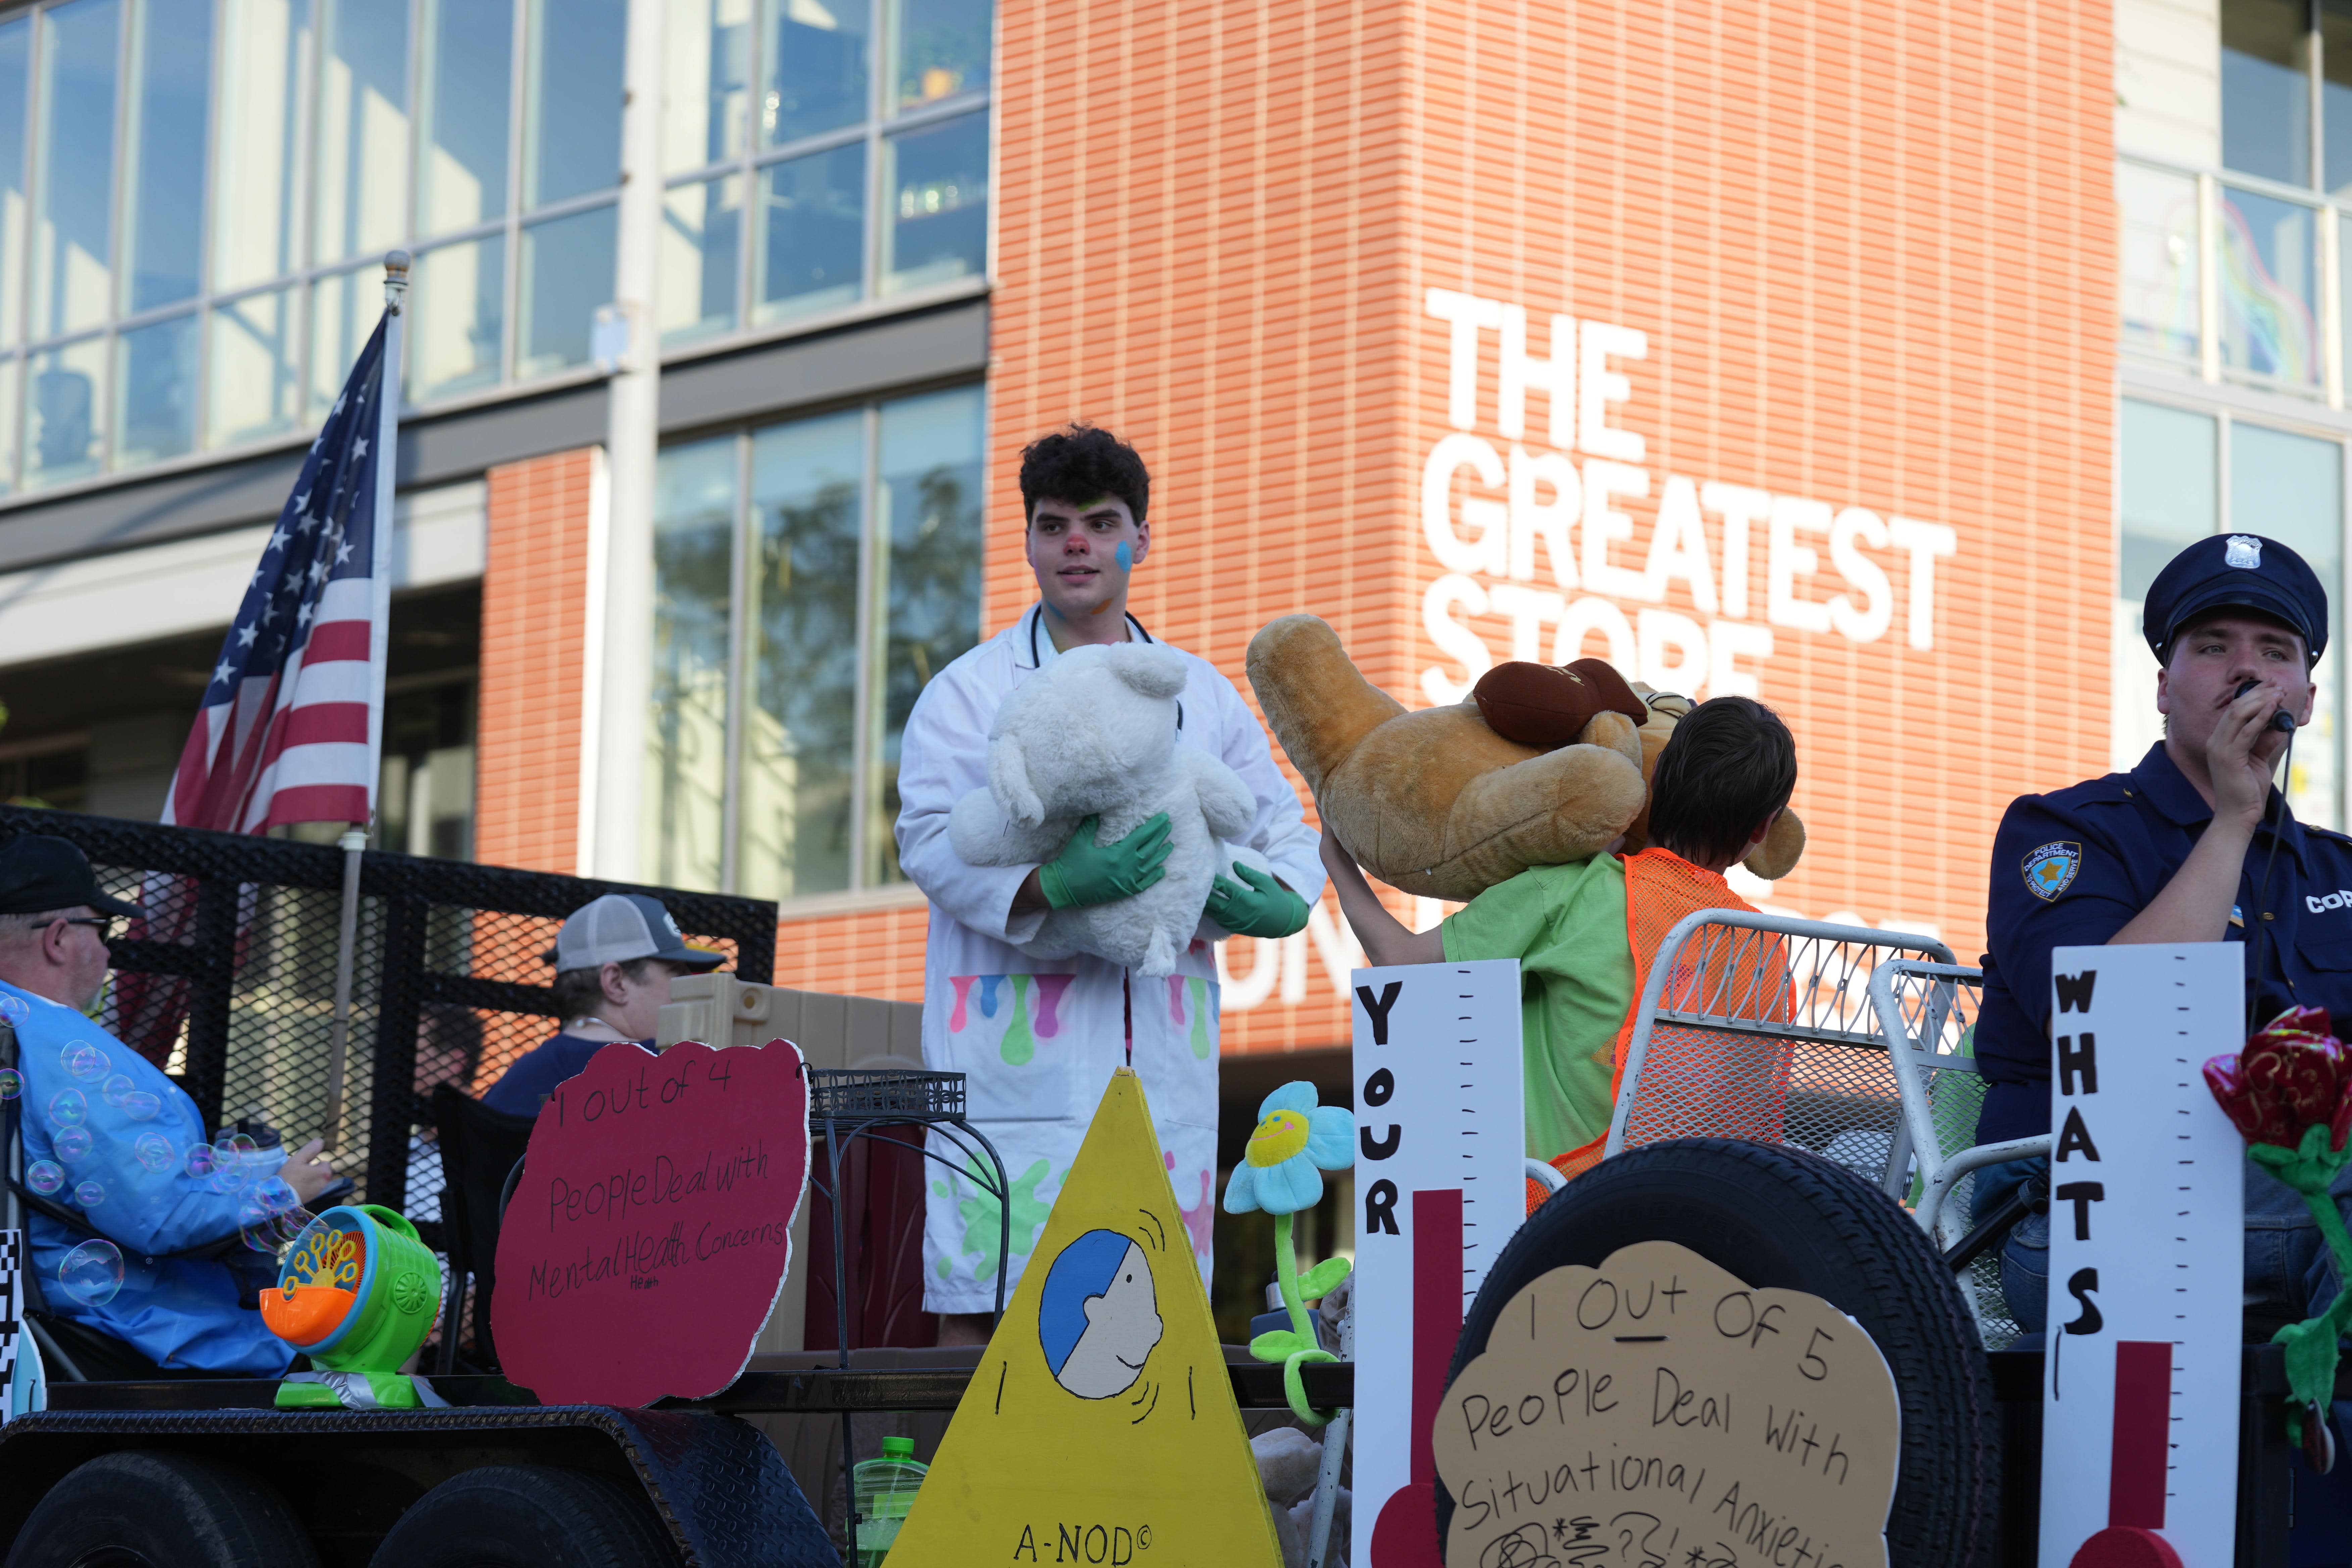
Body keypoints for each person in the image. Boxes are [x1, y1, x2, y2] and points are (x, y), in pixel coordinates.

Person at [896, 424, 1323, 1343]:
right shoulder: (968, 695)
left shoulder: (1203, 696)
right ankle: (979, 1496)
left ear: (1141, 540)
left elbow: (1283, 830)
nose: (1078, 544)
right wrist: (1051, 884)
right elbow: (929, 839)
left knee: (1146, 1316)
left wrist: (1278, 895)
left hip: (1161, 1050)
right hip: (1015, 1055)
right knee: (990, 1301)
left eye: (1102, 523)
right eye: (1055, 526)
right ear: (1029, 542)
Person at [1976, 532, 2352, 1339]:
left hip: (2302, 1184)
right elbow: (2108, 1025)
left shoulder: (2335, 869)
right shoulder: (2066, 831)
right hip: (2086, 1202)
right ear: (2162, 686)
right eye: (2214, 648)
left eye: (2274, 651)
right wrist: (2233, 819)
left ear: (2308, 697)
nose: (2247, 670)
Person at [1321, 695, 1799, 1178]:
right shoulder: (1765, 950)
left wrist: (1336, 861)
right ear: (1761, 830)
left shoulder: (1569, 891)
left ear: (1653, 781)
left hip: (1557, 1216)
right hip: (1689, 1219)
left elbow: (1401, 963)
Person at [0, 834, 338, 1377]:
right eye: (102, 929)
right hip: (140, 1319)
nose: (110, 951)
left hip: (40, 1299)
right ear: (60, 939)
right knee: (380, 1325)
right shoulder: (61, 1046)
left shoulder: (15, 1029)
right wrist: (282, 1190)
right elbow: (159, 1216)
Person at [480, 893, 724, 1116]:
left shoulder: (522, 1078)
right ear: (616, 983)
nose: (689, 987)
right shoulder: (674, 1067)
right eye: (677, 974)